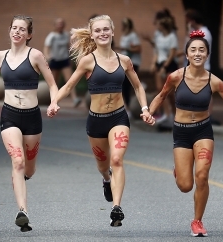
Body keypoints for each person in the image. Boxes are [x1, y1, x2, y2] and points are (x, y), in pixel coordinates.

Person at [47, 15, 155, 227]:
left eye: (106, 29)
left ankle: (116, 208)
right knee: (103, 166)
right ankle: (106, 180)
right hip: (96, 121)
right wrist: (54, 102)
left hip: (118, 117)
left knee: (117, 160)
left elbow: (138, 87)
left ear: (113, 32)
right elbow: (68, 86)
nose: (103, 33)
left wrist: (144, 108)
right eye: (98, 30)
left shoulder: (124, 61)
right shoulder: (87, 61)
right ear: (93, 35)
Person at [0, 15, 59, 232]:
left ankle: (23, 178)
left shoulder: (35, 55)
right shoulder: (0, 56)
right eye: (14, 28)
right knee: (17, 161)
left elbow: (52, 84)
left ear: (29, 34)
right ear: (9, 31)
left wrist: (54, 102)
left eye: (22, 29)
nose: (17, 32)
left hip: (33, 117)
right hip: (10, 116)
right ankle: (23, 212)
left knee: (29, 169)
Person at [148, 30, 223, 236]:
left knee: (202, 176)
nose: (197, 53)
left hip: (203, 131)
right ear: (187, 55)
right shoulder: (175, 77)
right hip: (181, 133)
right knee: (185, 185)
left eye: (202, 50)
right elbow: (161, 96)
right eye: (193, 50)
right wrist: (149, 112)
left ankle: (197, 221)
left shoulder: (214, 81)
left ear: (207, 55)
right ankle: (179, 170)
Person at [43, 18, 81, 107]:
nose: (60, 25)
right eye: (58, 24)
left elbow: (69, 47)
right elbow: (46, 47)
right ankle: (54, 100)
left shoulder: (66, 35)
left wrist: (71, 58)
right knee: (54, 82)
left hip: (64, 60)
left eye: (61, 24)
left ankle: (75, 99)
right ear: (55, 25)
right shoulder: (51, 36)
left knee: (70, 80)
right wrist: (48, 57)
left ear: (63, 25)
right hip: (55, 60)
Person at [150, 17, 179, 128]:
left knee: (171, 92)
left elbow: (172, 53)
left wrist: (165, 66)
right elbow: (157, 51)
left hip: (169, 64)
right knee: (161, 89)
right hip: (160, 63)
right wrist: (154, 63)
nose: (157, 27)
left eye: (159, 25)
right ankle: (167, 114)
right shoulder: (159, 37)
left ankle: (176, 114)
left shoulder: (172, 37)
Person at [114, 17, 142, 118]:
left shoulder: (133, 36)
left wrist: (125, 48)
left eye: (123, 25)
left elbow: (138, 48)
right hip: (124, 63)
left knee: (127, 85)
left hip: (132, 63)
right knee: (123, 85)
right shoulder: (124, 36)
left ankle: (129, 108)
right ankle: (125, 107)